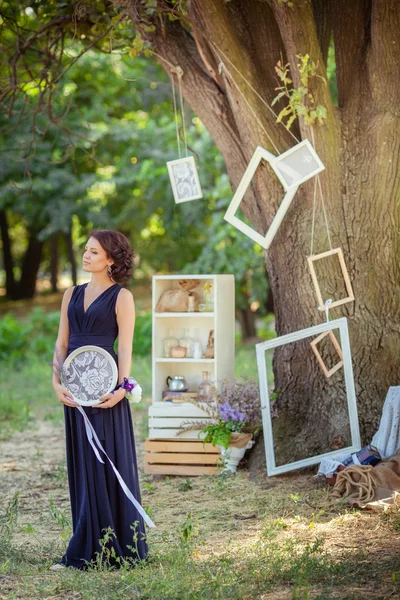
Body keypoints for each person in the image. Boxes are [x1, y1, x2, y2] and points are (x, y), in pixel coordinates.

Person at [51, 229, 148, 570]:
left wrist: (122, 389)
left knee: (107, 463)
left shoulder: (122, 298)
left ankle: (118, 546)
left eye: (94, 251)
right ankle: (83, 545)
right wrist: (56, 382)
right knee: (83, 465)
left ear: (110, 259)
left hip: (106, 392)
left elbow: (125, 348)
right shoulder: (70, 295)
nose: (86, 255)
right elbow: (62, 344)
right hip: (75, 390)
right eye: (86, 250)